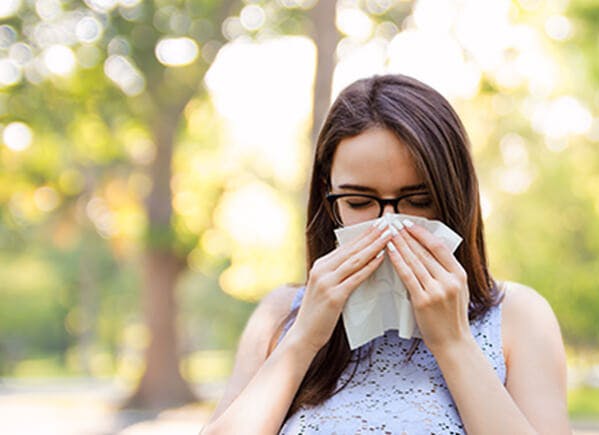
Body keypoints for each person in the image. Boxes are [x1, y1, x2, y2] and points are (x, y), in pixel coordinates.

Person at [203, 74, 570, 434]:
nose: (388, 225)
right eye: (359, 202)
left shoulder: (519, 316)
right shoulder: (281, 314)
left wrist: (453, 343)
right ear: (329, 200)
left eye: (419, 201)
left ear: (455, 196)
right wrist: (303, 340)